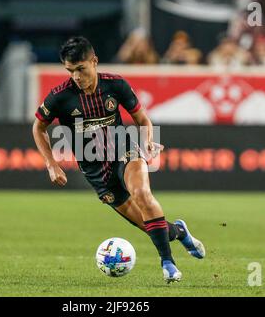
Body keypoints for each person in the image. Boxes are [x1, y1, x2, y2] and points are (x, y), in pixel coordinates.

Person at [32, 36, 205, 283]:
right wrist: (51, 163)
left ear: (94, 61)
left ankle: (168, 264)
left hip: (124, 152)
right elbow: (38, 128)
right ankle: (180, 232)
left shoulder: (115, 85)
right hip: (95, 171)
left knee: (143, 195)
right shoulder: (60, 96)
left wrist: (146, 141)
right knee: (151, 226)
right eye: (70, 71)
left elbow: (143, 120)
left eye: (80, 69)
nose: (76, 76)